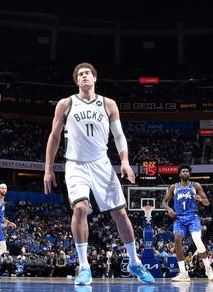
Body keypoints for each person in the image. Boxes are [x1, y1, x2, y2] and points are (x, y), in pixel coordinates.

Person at [43, 62, 154, 286]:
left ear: (95, 78)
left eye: (88, 73)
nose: (84, 76)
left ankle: (134, 261)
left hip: (102, 163)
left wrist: (124, 161)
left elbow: (119, 135)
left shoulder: (108, 103)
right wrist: (48, 169)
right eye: (80, 74)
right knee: (81, 208)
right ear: (76, 81)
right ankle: (84, 266)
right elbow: (54, 137)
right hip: (75, 164)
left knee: (120, 214)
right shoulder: (65, 104)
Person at [162, 164, 213, 281]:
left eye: (187, 171)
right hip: (179, 218)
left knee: (197, 238)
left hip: (193, 217)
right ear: (180, 174)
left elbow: (207, 202)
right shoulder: (173, 187)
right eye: (183, 171)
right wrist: (169, 209)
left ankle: (208, 268)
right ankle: (183, 273)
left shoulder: (195, 185)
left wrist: (200, 200)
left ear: (189, 174)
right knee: (177, 238)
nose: (185, 173)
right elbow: (164, 202)